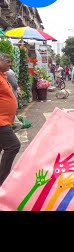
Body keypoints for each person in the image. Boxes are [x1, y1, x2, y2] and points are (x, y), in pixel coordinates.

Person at [0, 53, 21, 186]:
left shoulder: (3, 75)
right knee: (14, 146)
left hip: (5, 120)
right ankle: (3, 180)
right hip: (1, 122)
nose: (10, 64)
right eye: (7, 61)